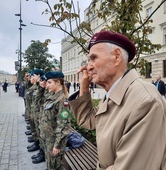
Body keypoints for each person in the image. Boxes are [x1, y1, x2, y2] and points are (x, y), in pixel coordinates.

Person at [68, 30, 166, 170]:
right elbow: (89, 121)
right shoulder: (114, 94)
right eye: (88, 60)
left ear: (116, 56)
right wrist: (84, 88)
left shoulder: (145, 102)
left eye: (94, 58)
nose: (88, 66)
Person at [39, 71, 71, 170]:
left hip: (54, 141)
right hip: (48, 138)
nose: (46, 85)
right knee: (51, 164)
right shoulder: (52, 96)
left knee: (56, 166)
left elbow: (64, 125)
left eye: (49, 82)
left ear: (58, 82)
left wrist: (57, 145)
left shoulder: (62, 100)